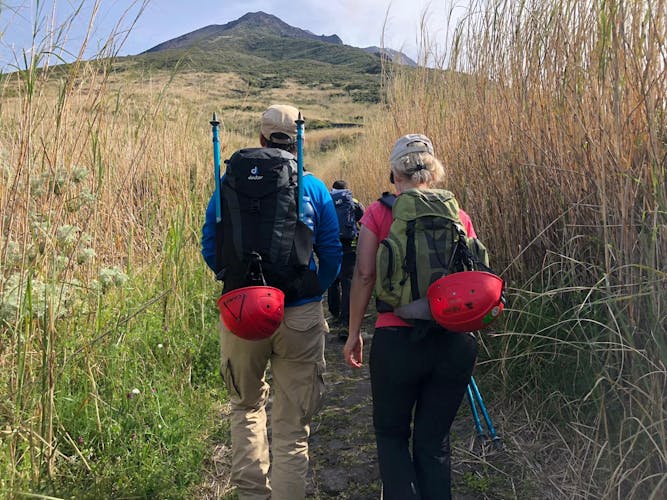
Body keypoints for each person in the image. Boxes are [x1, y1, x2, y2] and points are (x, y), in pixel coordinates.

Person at [201, 104, 342, 500]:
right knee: (292, 429)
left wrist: (235, 284)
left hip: (242, 309)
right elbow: (331, 252)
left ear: (261, 138)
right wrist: (314, 290)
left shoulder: (229, 181)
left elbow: (210, 244)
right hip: (299, 313)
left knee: (245, 408)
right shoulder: (312, 187)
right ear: (298, 142)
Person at [343, 134, 478, 499]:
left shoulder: (379, 212)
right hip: (452, 344)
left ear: (394, 174)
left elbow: (365, 275)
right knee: (434, 444)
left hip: (396, 341)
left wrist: (354, 332)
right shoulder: (457, 214)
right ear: (432, 171)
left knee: (392, 437)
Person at [327, 179, 364, 341]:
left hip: (331, 246)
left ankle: (334, 313)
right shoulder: (354, 202)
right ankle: (345, 319)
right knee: (347, 282)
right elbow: (364, 221)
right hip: (350, 246)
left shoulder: (327, 200)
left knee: (332, 280)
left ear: (332, 189)